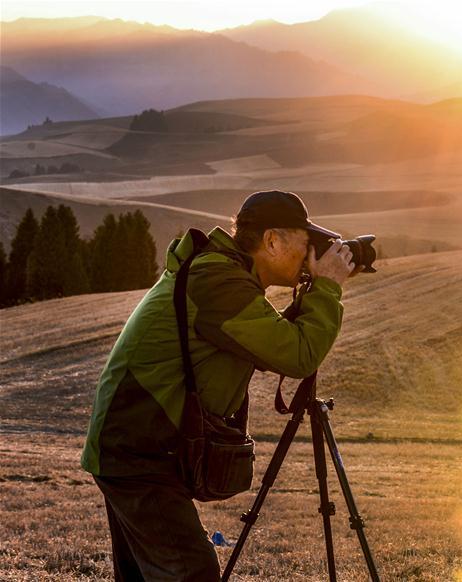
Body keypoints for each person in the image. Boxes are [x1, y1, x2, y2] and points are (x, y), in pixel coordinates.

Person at [80, 190, 357, 581]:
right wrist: (327, 288)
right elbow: (297, 355)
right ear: (272, 240)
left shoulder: (222, 274)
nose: (310, 252)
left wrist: (316, 289)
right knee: (191, 572)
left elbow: (267, 342)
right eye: (305, 242)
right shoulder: (218, 280)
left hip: (135, 444)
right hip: (139, 449)